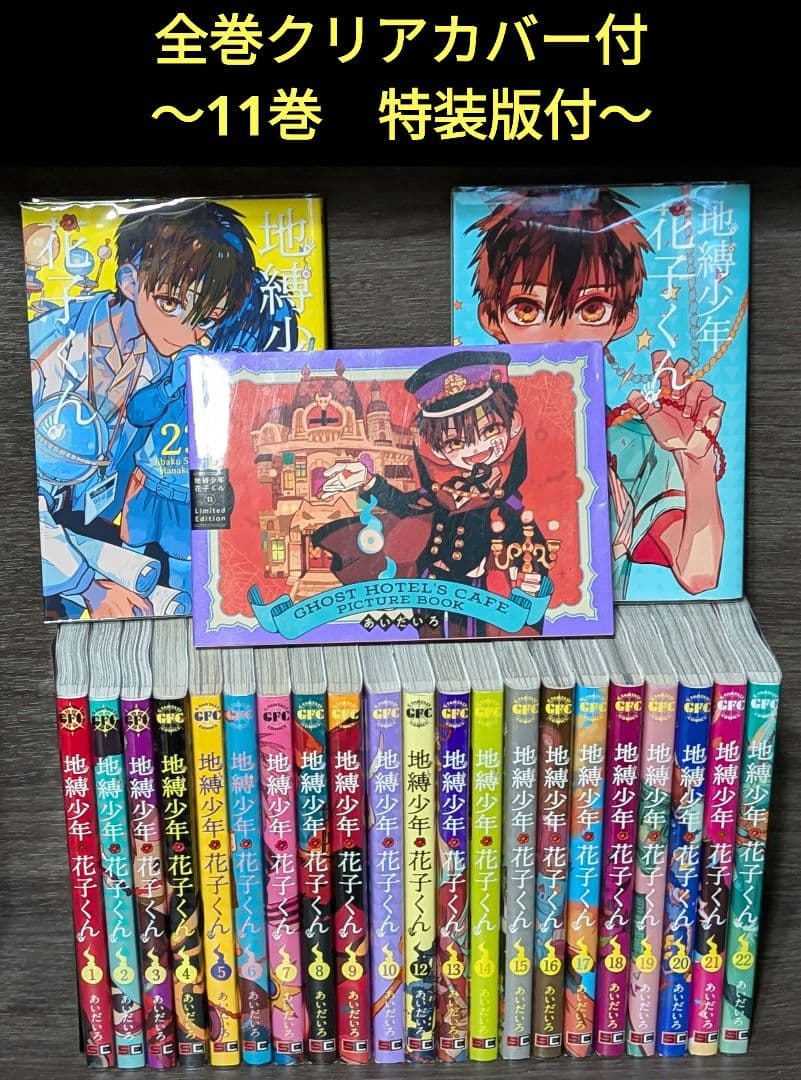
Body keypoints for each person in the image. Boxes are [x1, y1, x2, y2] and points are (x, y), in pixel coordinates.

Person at [30, 200, 295, 618]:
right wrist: (89, 589)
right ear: (129, 281)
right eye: (171, 303)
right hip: (48, 555)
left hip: (108, 535)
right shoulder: (49, 349)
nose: (193, 333)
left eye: (208, 318)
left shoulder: (169, 356)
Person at [467, 187, 725, 598]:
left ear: (624, 318)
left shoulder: (636, 443)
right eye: (527, 309)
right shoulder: (465, 435)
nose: (561, 335)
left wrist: (698, 461)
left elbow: (699, 574)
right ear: (491, 318)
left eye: (591, 309)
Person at [314, 350, 550, 638]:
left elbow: (530, 544)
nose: (475, 449)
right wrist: (368, 480)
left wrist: (531, 575)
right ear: (437, 449)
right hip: (429, 590)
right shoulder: (442, 492)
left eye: (490, 430)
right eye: (455, 443)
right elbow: (407, 506)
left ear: (512, 425)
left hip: (476, 595)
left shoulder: (505, 501)